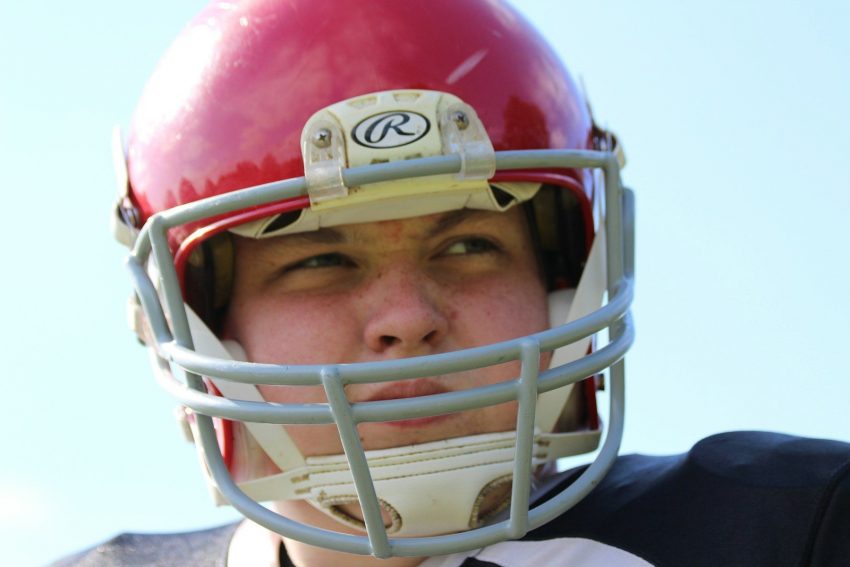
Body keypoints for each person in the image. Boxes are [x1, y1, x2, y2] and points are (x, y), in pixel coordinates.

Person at [55, 0, 849, 565]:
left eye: (468, 244)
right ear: (199, 318)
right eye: (320, 260)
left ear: (562, 279)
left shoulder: (789, 530)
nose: (407, 317)